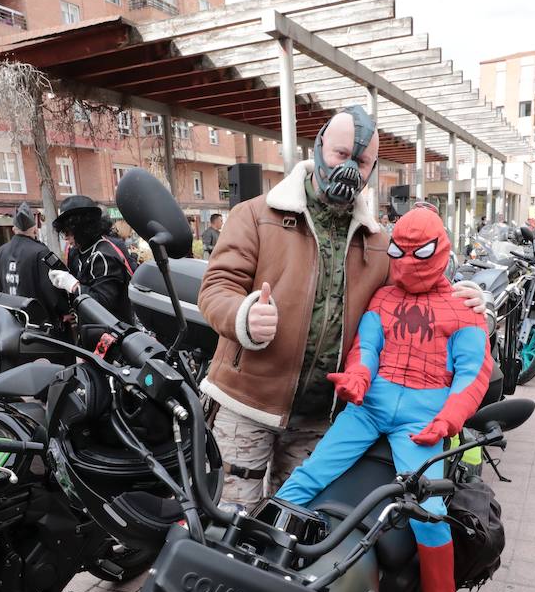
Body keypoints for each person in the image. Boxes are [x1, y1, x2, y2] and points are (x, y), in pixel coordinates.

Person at [196, 104, 485, 508]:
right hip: (248, 402)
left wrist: (466, 298)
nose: (349, 167)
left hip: (322, 416)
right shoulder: (255, 215)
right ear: (318, 148)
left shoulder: (382, 242)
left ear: (372, 167)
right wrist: (243, 315)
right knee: (227, 519)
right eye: (341, 154)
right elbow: (215, 288)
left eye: (361, 160)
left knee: (293, 524)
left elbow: (413, 295)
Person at [275, 206, 490, 592]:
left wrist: (450, 417)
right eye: (401, 252)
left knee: (427, 511)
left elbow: (473, 372)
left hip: (422, 421)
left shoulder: (463, 310)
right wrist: (358, 376)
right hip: (368, 408)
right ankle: (265, 555)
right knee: (307, 476)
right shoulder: (384, 299)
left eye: (420, 252)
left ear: (441, 251)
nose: (409, 262)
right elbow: (368, 345)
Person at [50, 195, 135, 333]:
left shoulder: (103, 255)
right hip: (92, 332)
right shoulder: (77, 252)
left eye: (68, 230)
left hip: (113, 336)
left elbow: (103, 304)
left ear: (82, 227)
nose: (65, 237)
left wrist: (74, 286)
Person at [0, 203, 72, 333]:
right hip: (40, 324)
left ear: (14, 229)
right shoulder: (40, 251)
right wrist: (64, 310)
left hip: (12, 321)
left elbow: (0, 286)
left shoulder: (1, 251)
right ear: (34, 229)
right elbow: (52, 287)